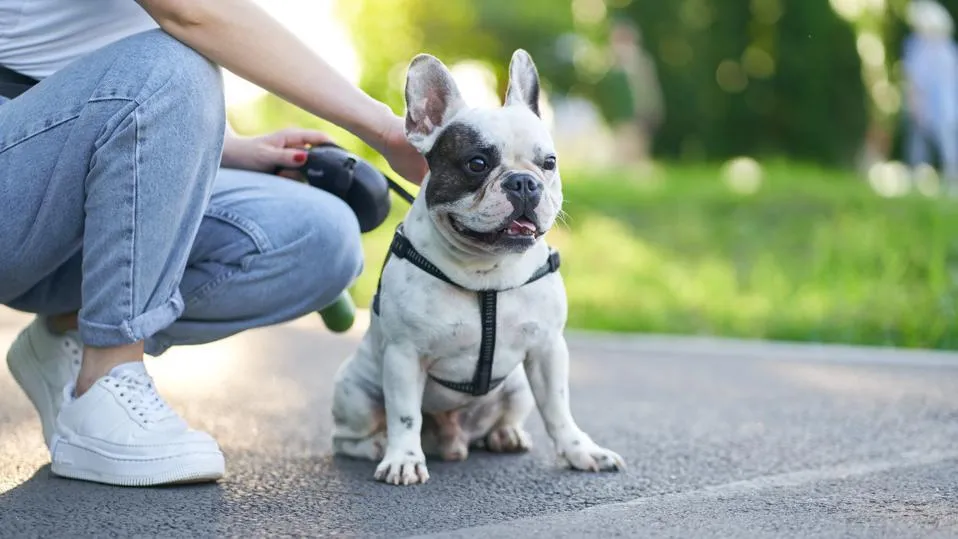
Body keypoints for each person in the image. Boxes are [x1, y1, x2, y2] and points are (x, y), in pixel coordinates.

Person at [0, 0, 428, 487]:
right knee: (176, 64)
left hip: (69, 144)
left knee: (322, 236)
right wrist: (389, 130)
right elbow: (194, 13)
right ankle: (106, 382)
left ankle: (67, 328)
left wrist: (228, 147)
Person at [902, 0, 958, 191]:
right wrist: (915, 103)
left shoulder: (948, 49)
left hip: (946, 106)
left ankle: (952, 181)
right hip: (925, 104)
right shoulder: (917, 47)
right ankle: (916, 182)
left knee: (947, 145)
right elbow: (914, 80)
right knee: (918, 144)